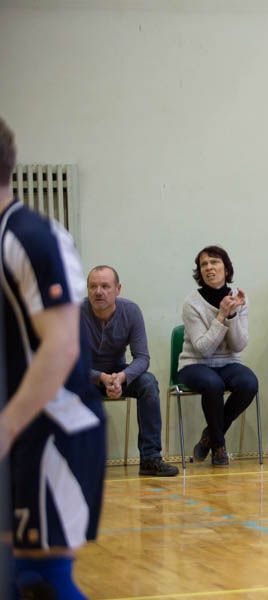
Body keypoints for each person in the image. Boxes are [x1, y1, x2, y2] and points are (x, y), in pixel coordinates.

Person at [0, 116, 105, 598]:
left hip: (51, 431)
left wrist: (6, 428)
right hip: (21, 431)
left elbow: (61, 347)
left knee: (41, 580)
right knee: (17, 578)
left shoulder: (27, 236)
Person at [81, 265, 178, 476]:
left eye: (105, 286)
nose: (98, 292)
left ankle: (150, 458)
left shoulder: (131, 311)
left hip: (118, 374)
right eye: (93, 287)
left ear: (118, 289)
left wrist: (122, 377)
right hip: (85, 375)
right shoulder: (75, 313)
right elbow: (69, 362)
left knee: (148, 383)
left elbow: (142, 358)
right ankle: (76, 461)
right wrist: (101, 378)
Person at [177, 245, 258, 467]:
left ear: (226, 268)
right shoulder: (191, 303)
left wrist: (232, 314)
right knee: (213, 384)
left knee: (249, 383)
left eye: (214, 262)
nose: (209, 267)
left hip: (228, 362)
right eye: (204, 264)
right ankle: (219, 446)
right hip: (194, 364)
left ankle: (210, 436)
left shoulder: (239, 299)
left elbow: (238, 345)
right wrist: (222, 315)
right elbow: (204, 349)